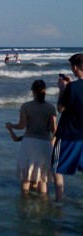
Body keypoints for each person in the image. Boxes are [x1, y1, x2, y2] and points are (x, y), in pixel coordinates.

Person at [5, 80, 57, 196]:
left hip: (29, 143)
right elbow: (53, 129)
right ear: (45, 91)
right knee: (42, 178)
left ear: (32, 91)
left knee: (26, 177)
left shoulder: (26, 106)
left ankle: (24, 206)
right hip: (44, 142)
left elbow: (21, 125)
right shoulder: (51, 108)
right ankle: (43, 206)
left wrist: (11, 126)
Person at [52, 53, 83, 201]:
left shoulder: (72, 88)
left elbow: (61, 109)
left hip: (69, 135)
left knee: (57, 169)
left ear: (75, 68)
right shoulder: (73, 86)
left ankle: (59, 203)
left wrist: (62, 89)